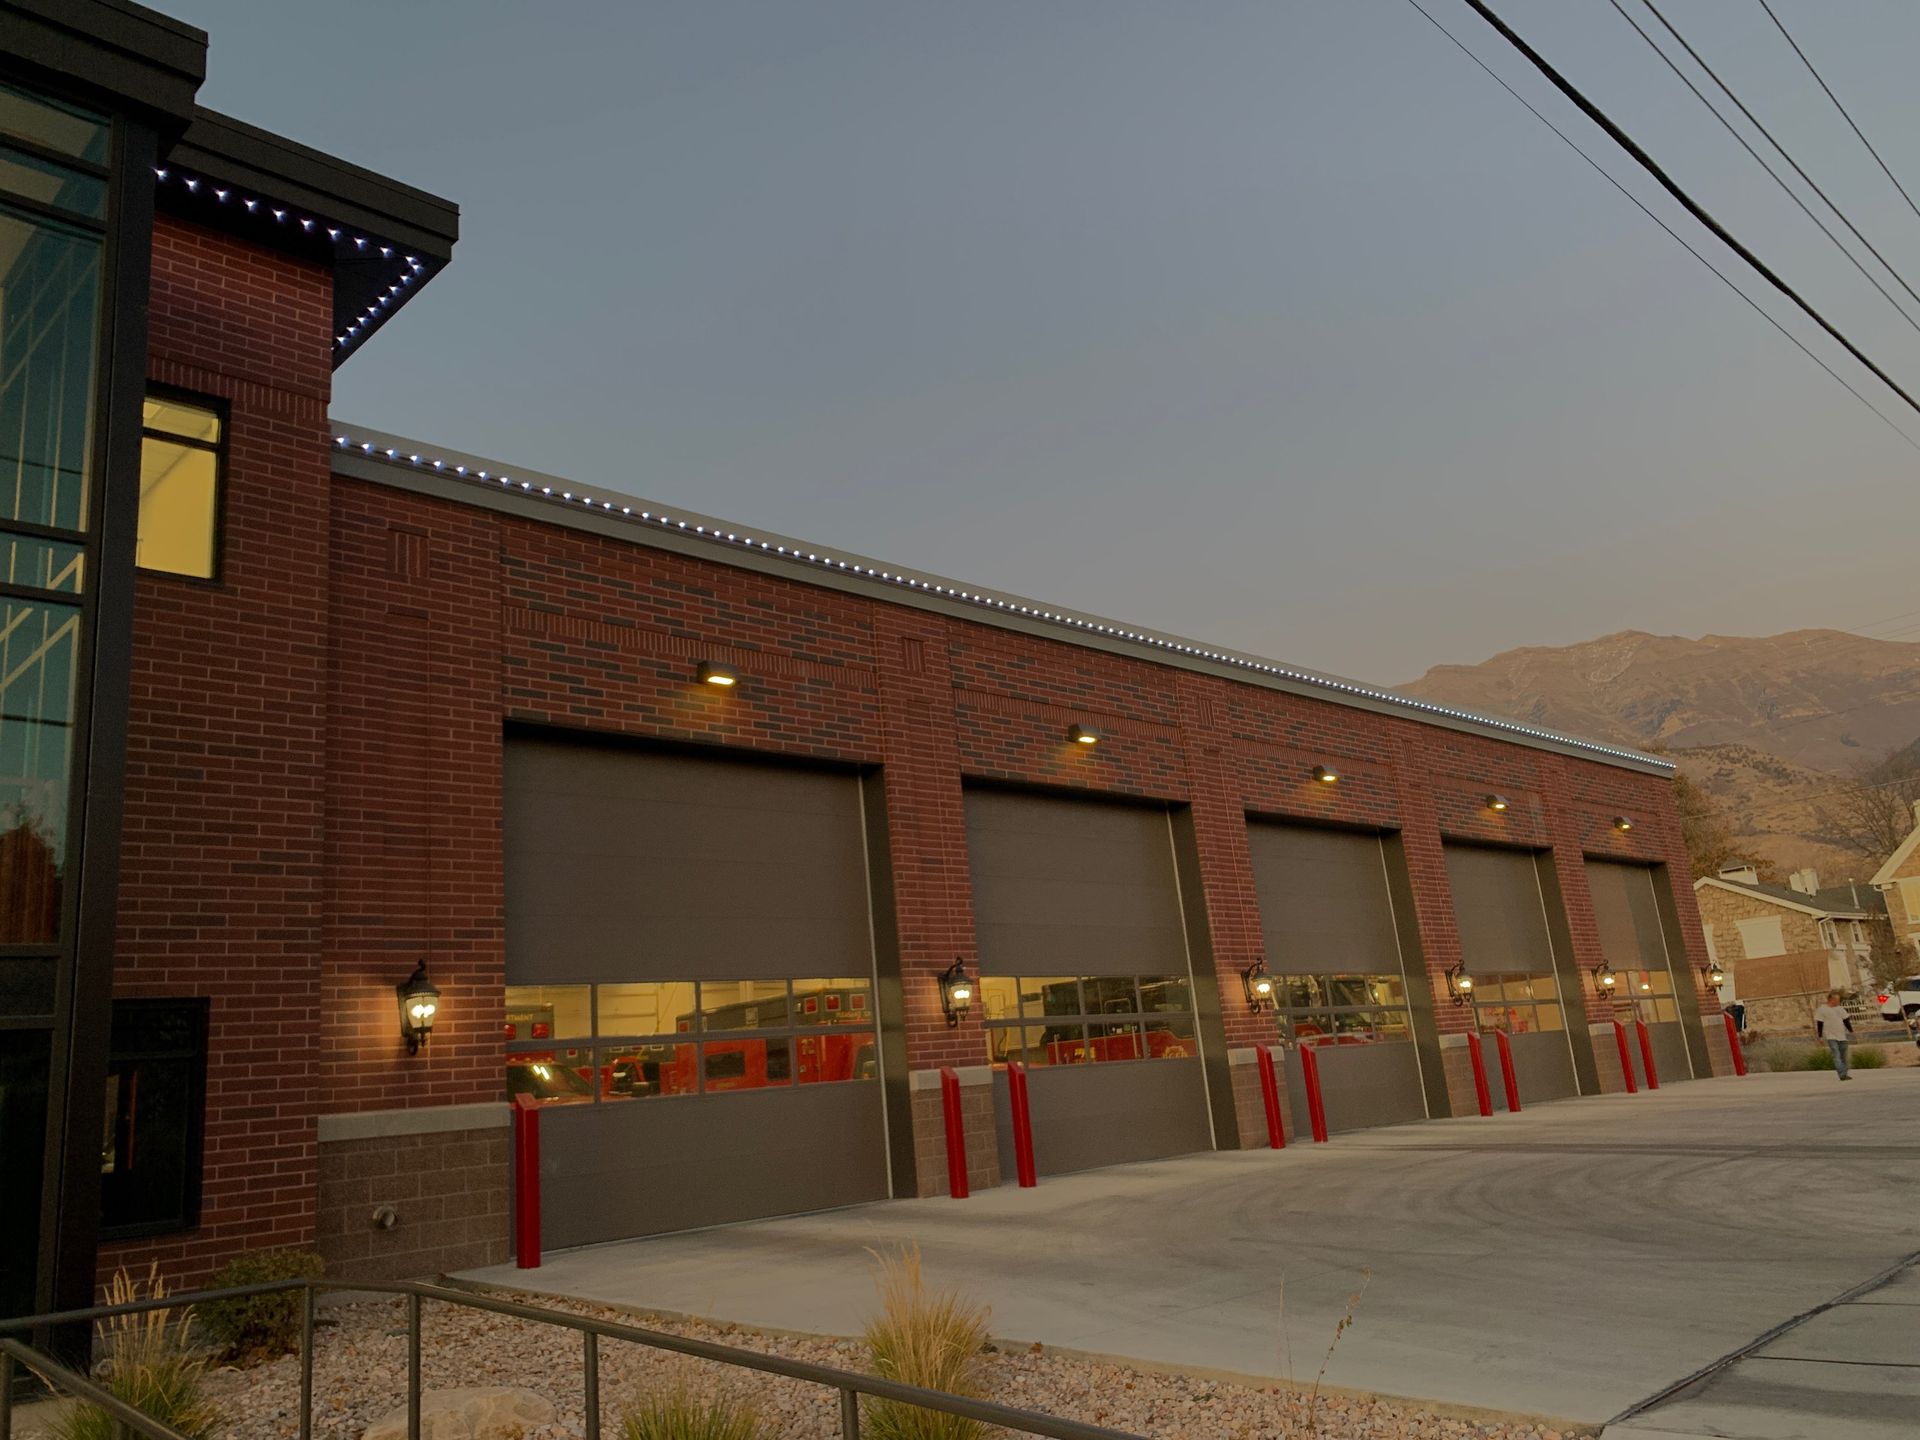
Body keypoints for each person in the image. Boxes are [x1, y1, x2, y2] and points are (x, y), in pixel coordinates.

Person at [1812, 992, 1854, 1081]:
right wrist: (1820, 1036)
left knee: (1844, 1056)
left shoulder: (1840, 1009)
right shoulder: (1822, 1009)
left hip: (1842, 1036)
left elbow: (1846, 1020)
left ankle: (1844, 1073)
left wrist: (1851, 1031)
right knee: (1836, 1055)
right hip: (1831, 1036)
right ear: (1831, 999)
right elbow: (1820, 1023)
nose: (1838, 1001)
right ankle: (1842, 1074)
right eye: (1837, 1000)